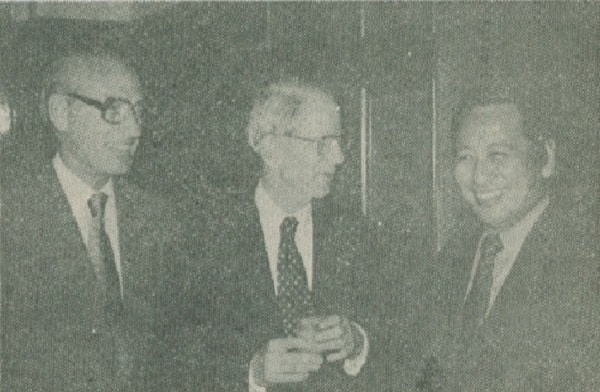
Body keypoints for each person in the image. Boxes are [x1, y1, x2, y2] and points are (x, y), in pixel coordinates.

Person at [0, 50, 182, 391]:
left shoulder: (161, 220)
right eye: (113, 110)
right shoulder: (10, 215)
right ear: (61, 113)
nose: (134, 130)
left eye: (138, 111)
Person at [178, 81, 375, 392]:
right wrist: (254, 373)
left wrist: (357, 341)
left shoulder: (357, 232)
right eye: (323, 142)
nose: (338, 158)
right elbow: (175, 359)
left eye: (339, 141)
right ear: (271, 149)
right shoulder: (204, 236)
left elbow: (402, 343)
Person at [418, 87, 599, 391]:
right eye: (465, 157)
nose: (478, 177)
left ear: (546, 159)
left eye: (497, 155)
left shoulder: (585, 263)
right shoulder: (450, 257)